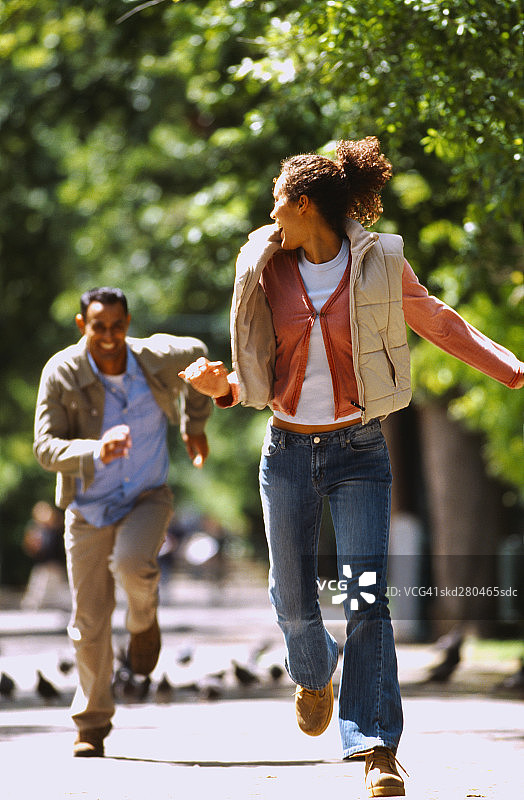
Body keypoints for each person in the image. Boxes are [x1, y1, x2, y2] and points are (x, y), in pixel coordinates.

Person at [179, 137, 524, 798]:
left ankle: (376, 748)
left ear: (304, 204)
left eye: (278, 200)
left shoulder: (379, 262)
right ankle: (315, 671)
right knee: (293, 598)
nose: (271, 213)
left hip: (358, 453)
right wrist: (220, 388)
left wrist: (509, 369)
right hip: (285, 453)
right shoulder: (265, 265)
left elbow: (441, 324)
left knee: (369, 599)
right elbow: (249, 369)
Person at [33, 287, 212, 758]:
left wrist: (195, 425)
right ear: (82, 325)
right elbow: (45, 448)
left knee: (133, 564)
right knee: (88, 621)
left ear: (128, 323)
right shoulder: (62, 372)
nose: (109, 336)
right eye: (98, 327)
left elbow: (198, 357)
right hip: (88, 508)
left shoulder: (155, 358)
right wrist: (94, 450)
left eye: (117, 326)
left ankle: (143, 621)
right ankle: (91, 724)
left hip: (145, 496)